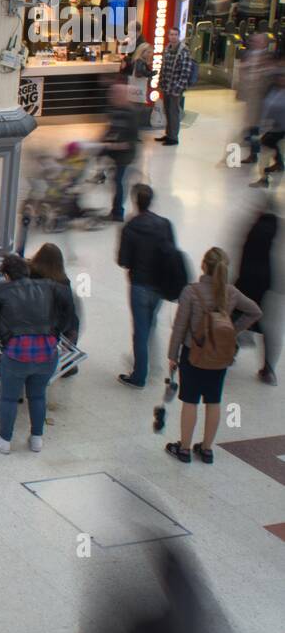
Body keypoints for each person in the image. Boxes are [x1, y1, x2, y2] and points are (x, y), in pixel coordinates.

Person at [164, 248, 260, 464]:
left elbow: (179, 326)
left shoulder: (191, 292)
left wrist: (173, 354)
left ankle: (185, 449)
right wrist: (232, 332)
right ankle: (207, 450)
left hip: (193, 353)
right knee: (213, 400)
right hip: (219, 356)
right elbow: (255, 311)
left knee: (190, 400)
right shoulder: (231, 292)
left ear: (203, 265)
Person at [0, 254, 76, 455]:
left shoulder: (1, 292)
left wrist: (1, 340)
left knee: (9, 398)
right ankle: (36, 439)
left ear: (6, 275)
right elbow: (69, 303)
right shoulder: (50, 286)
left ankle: (5, 441)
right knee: (37, 396)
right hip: (47, 351)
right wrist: (57, 330)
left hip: (16, 354)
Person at [117, 183, 176, 389]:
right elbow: (172, 252)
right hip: (159, 284)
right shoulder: (165, 224)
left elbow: (122, 260)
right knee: (150, 323)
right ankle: (153, 364)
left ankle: (139, 375)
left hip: (139, 284)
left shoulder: (130, 227)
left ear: (135, 201)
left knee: (140, 330)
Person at [235, 207, 279, 385]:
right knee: (269, 327)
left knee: (236, 315)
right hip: (266, 285)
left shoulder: (251, 233)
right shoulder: (274, 236)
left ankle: (229, 350)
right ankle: (268, 369)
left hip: (246, 281)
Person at [30, 241, 81, 392]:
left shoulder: (31, 274)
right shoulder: (63, 281)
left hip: (33, 322)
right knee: (74, 322)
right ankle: (68, 360)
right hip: (54, 326)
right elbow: (69, 312)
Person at [103, 79, 141, 221]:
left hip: (125, 155)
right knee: (114, 180)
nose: (112, 97)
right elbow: (109, 129)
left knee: (118, 181)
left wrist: (114, 145)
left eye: (115, 94)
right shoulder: (113, 110)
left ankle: (118, 212)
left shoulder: (132, 114)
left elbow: (131, 142)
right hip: (113, 150)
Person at [237, 32, 271, 165]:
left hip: (261, 100)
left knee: (258, 129)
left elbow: (267, 78)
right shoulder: (249, 55)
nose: (253, 43)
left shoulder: (267, 57)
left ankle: (264, 156)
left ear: (264, 43)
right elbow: (244, 74)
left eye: (257, 41)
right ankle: (253, 153)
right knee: (252, 128)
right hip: (251, 98)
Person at [156, 35, 195, 146]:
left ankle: (173, 138)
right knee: (168, 111)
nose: (172, 37)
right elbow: (164, 67)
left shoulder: (184, 51)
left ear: (178, 36)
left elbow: (185, 72)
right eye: (171, 34)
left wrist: (178, 88)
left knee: (173, 112)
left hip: (175, 88)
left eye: (175, 35)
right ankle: (168, 134)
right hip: (167, 86)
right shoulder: (168, 49)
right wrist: (161, 82)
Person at [252, 69, 285, 188]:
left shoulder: (277, 93)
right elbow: (266, 109)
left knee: (266, 153)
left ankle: (265, 178)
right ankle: (265, 176)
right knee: (266, 154)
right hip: (271, 129)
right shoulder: (273, 91)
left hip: (278, 131)